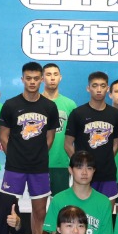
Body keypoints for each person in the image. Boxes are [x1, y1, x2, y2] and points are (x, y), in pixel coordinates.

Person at [0, 62, 60, 234]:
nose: (32, 82)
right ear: (22, 79)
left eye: (35, 78)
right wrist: (15, 156)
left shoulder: (49, 106)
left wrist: (37, 155)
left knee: (40, 212)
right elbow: (3, 136)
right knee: (8, 211)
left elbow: (50, 138)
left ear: (41, 79)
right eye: (28, 78)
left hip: (38, 168)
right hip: (14, 168)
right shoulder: (11, 105)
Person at [64, 72, 118, 201]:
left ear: (107, 89)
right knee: (83, 211)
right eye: (95, 85)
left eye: (102, 86)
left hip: (107, 173)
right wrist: (81, 165)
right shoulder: (77, 113)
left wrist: (105, 161)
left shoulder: (116, 114)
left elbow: (116, 144)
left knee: (106, 210)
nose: (99, 89)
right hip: (83, 175)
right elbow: (68, 144)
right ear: (88, 88)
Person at [42, 63, 78, 196]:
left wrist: (74, 160)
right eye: (48, 74)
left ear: (60, 77)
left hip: (61, 162)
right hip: (38, 163)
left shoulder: (70, 104)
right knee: (38, 203)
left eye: (55, 74)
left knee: (59, 202)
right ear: (42, 78)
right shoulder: (35, 102)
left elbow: (76, 137)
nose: (52, 78)